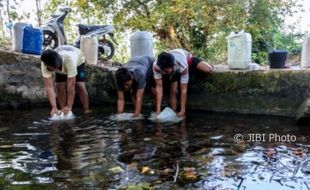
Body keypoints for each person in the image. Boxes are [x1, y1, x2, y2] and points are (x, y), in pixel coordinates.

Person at [153, 48, 213, 117]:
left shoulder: (182, 64)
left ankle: (201, 62)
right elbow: (159, 87)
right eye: (163, 71)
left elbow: (183, 89)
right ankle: (173, 111)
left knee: (208, 69)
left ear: (172, 66)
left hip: (188, 59)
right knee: (174, 89)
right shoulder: (156, 66)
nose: (163, 73)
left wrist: (182, 110)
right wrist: (158, 111)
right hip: (175, 70)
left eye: (166, 71)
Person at [40, 45, 91, 116]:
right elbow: (49, 87)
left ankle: (86, 109)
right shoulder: (45, 61)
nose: (46, 68)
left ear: (56, 66)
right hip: (59, 62)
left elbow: (71, 86)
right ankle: (63, 110)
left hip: (78, 61)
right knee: (59, 86)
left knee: (79, 85)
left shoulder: (69, 59)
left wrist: (69, 106)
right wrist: (54, 107)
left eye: (49, 68)